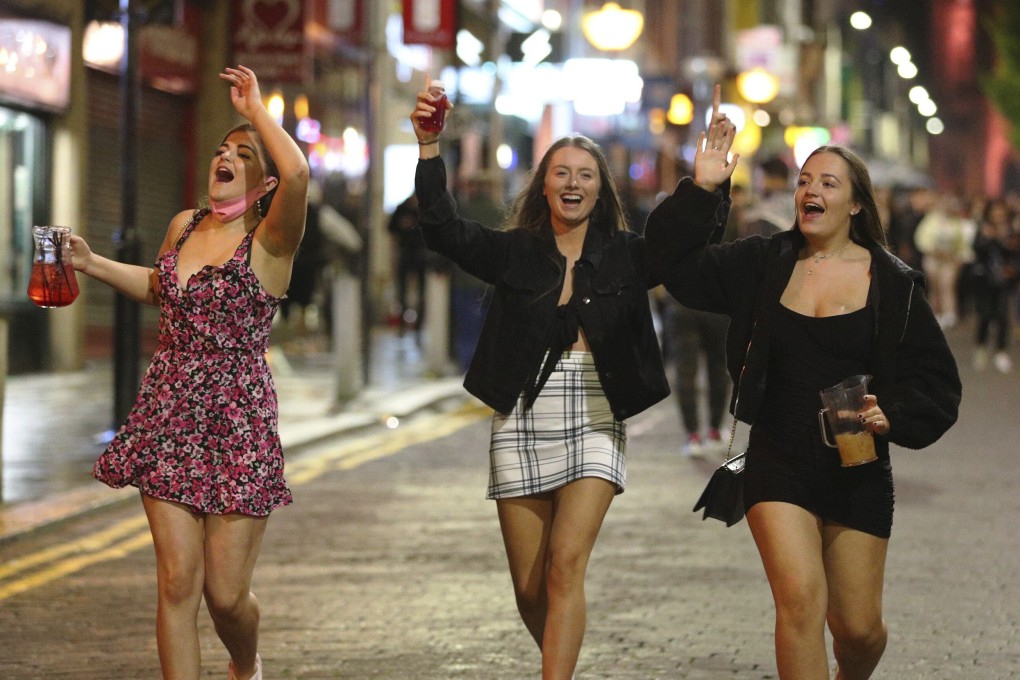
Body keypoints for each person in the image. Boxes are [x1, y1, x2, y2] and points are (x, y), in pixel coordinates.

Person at [410, 78, 727, 679]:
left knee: (564, 567)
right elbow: (443, 230)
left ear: (600, 189)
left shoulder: (630, 254)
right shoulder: (514, 251)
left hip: (595, 414)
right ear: (543, 184)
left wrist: (706, 183)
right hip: (523, 413)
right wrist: (429, 148)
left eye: (585, 173)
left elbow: (683, 241)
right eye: (561, 172)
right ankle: (563, 657)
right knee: (531, 591)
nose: (572, 183)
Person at [645, 139, 961, 679]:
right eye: (804, 180)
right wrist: (703, 188)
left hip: (857, 466)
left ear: (856, 204)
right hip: (777, 457)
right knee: (799, 603)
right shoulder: (763, 262)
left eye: (828, 183)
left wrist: (894, 415)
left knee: (858, 631)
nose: (810, 190)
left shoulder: (892, 282)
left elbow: (938, 382)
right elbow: (673, 267)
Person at [70, 65, 309, 680]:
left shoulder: (271, 240)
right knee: (177, 580)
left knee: (225, 595)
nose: (224, 158)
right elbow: (159, 288)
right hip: (169, 410)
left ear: (264, 181)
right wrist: (92, 263)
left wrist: (258, 111)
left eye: (243, 153)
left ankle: (247, 663)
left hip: (237, 421)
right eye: (220, 150)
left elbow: (301, 173)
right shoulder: (183, 224)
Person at [970, 198, 1019, 373]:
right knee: (984, 314)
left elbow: (1014, 253)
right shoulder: (983, 229)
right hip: (985, 279)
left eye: (1001, 212)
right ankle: (981, 347)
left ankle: (1001, 351)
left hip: (1004, 281)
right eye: (995, 212)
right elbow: (976, 249)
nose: (998, 216)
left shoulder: (1011, 230)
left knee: (1002, 316)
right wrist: (989, 238)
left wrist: (1012, 270)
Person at [913, 192, 975, 328]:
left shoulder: (956, 222)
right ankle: (935, 313)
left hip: (950, 259)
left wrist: (960, 256)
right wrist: (932, 250)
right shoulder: (931, 219)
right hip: (933, 258)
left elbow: (961, 242)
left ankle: (949, 314)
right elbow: (921, 238)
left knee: (947, 286)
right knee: (934, 287)